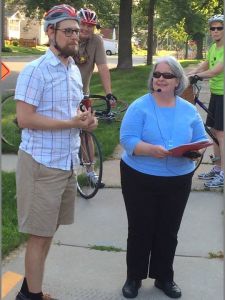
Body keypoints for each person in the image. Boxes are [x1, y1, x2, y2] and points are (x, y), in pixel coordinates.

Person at [14, 4, 97, 300]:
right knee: (38, 236)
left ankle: (29, 288)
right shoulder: (36, 71)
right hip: (41, 163)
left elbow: (77, 110)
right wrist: (69, 123)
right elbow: (25, 119)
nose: (76, 36)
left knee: (48, 232)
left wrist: (88, 120)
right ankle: (31, 297)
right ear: (51, 32)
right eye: (69, 31)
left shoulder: (72, 69)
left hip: (65, 162)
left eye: (77, 31)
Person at [120, 56, 208, 299]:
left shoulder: (189, 110)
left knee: (168, 230)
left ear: (178, 80)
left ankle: (164, 277)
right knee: (140, 228)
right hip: (139, 176)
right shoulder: (140, 106)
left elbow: (200, 139)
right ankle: (134, 277)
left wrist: (193, 151)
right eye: (157, 74)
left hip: (178, 178)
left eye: (167, 75)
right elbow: (127, 140)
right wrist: (151, 150)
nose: (160, 78)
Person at [73, 7, 117, 187]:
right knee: (62, 131)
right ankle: (65, 172)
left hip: (83, 93)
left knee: (87, 132)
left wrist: (108, 94)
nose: (86, 28)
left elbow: (103, 67)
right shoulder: (69, 37)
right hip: (62, 94)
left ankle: (91, 173)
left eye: (90, 25)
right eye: (83, 24)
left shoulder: (96, 41)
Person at [187, 14, 224, 188]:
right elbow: (205, 64)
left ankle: (223, 173)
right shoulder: (213, 48)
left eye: (219, 28)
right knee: (215, 132)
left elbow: (215, 71)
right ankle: (217, 168)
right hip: (217, 94)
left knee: (222, 134)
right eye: (213, 28)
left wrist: (196, 76)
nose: (215, 31)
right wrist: (187, 74)